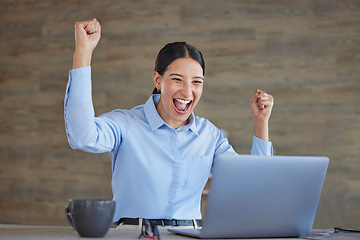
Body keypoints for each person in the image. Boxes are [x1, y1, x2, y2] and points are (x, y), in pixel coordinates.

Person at [64, 18, 274, 228]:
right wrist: (84, 51)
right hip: (133, 234)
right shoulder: (125, 124)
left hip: (189, 234)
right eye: (177, 79)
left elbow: (252, 186)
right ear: (158, 81)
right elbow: (82, 137)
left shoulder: (209, 135)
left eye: (196, 82)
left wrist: (260, 124)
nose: (187, 91)